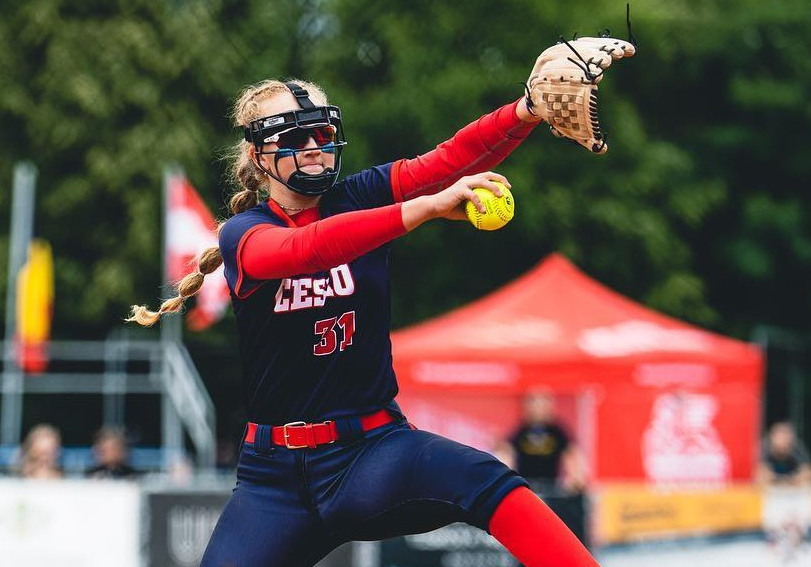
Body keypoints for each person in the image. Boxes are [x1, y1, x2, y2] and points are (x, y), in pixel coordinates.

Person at [127, 64, 629, 565]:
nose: (314, 147)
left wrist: (526, 110)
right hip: (272, 479)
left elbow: (447, 161)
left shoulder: (358, 196)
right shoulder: (243, 232)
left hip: (369, 452)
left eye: (321, 133)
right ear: (259, 156)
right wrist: (424, 210)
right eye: (295, 137)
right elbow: (306, 249)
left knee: (490, 482)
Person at [498, 389, 589, 544]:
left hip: (552, 487)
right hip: (526, 486)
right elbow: (507, 453)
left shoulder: (557, 430)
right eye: (534, 402)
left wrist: (576, 476)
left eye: (543, 402)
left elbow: (571, 454)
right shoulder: (521, 430)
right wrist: (506, 477)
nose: (539, 407)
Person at [757, 421, 811, 561]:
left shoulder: (796, 449)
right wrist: (789, 481)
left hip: (796, 493)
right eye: (780, 436)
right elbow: (762, 476)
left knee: (802, 516)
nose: (783, 439)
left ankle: (798, 538)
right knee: (772, 519)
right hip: (775, 493)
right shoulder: (765, 449)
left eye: (786, 436)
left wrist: (784, 481)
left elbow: (806, 474)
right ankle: (774, 539)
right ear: (772, 436)